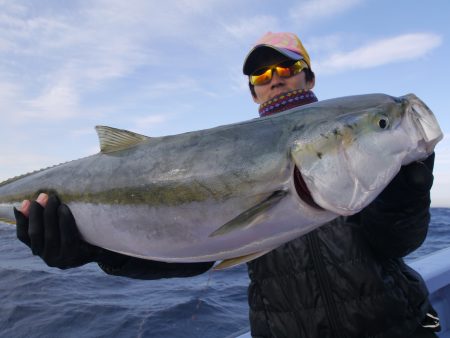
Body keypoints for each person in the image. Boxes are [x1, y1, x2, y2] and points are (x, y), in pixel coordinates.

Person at [14, 32, 440, 337]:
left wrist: (409, 187)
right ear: (254, 93)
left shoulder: (363, 158)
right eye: (261, 76)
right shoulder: (225, 155)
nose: (274, 78)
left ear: (309, 78)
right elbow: (193, 252)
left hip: (393, 325)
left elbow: (397, 243)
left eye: (287, 67)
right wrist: (98, 250)